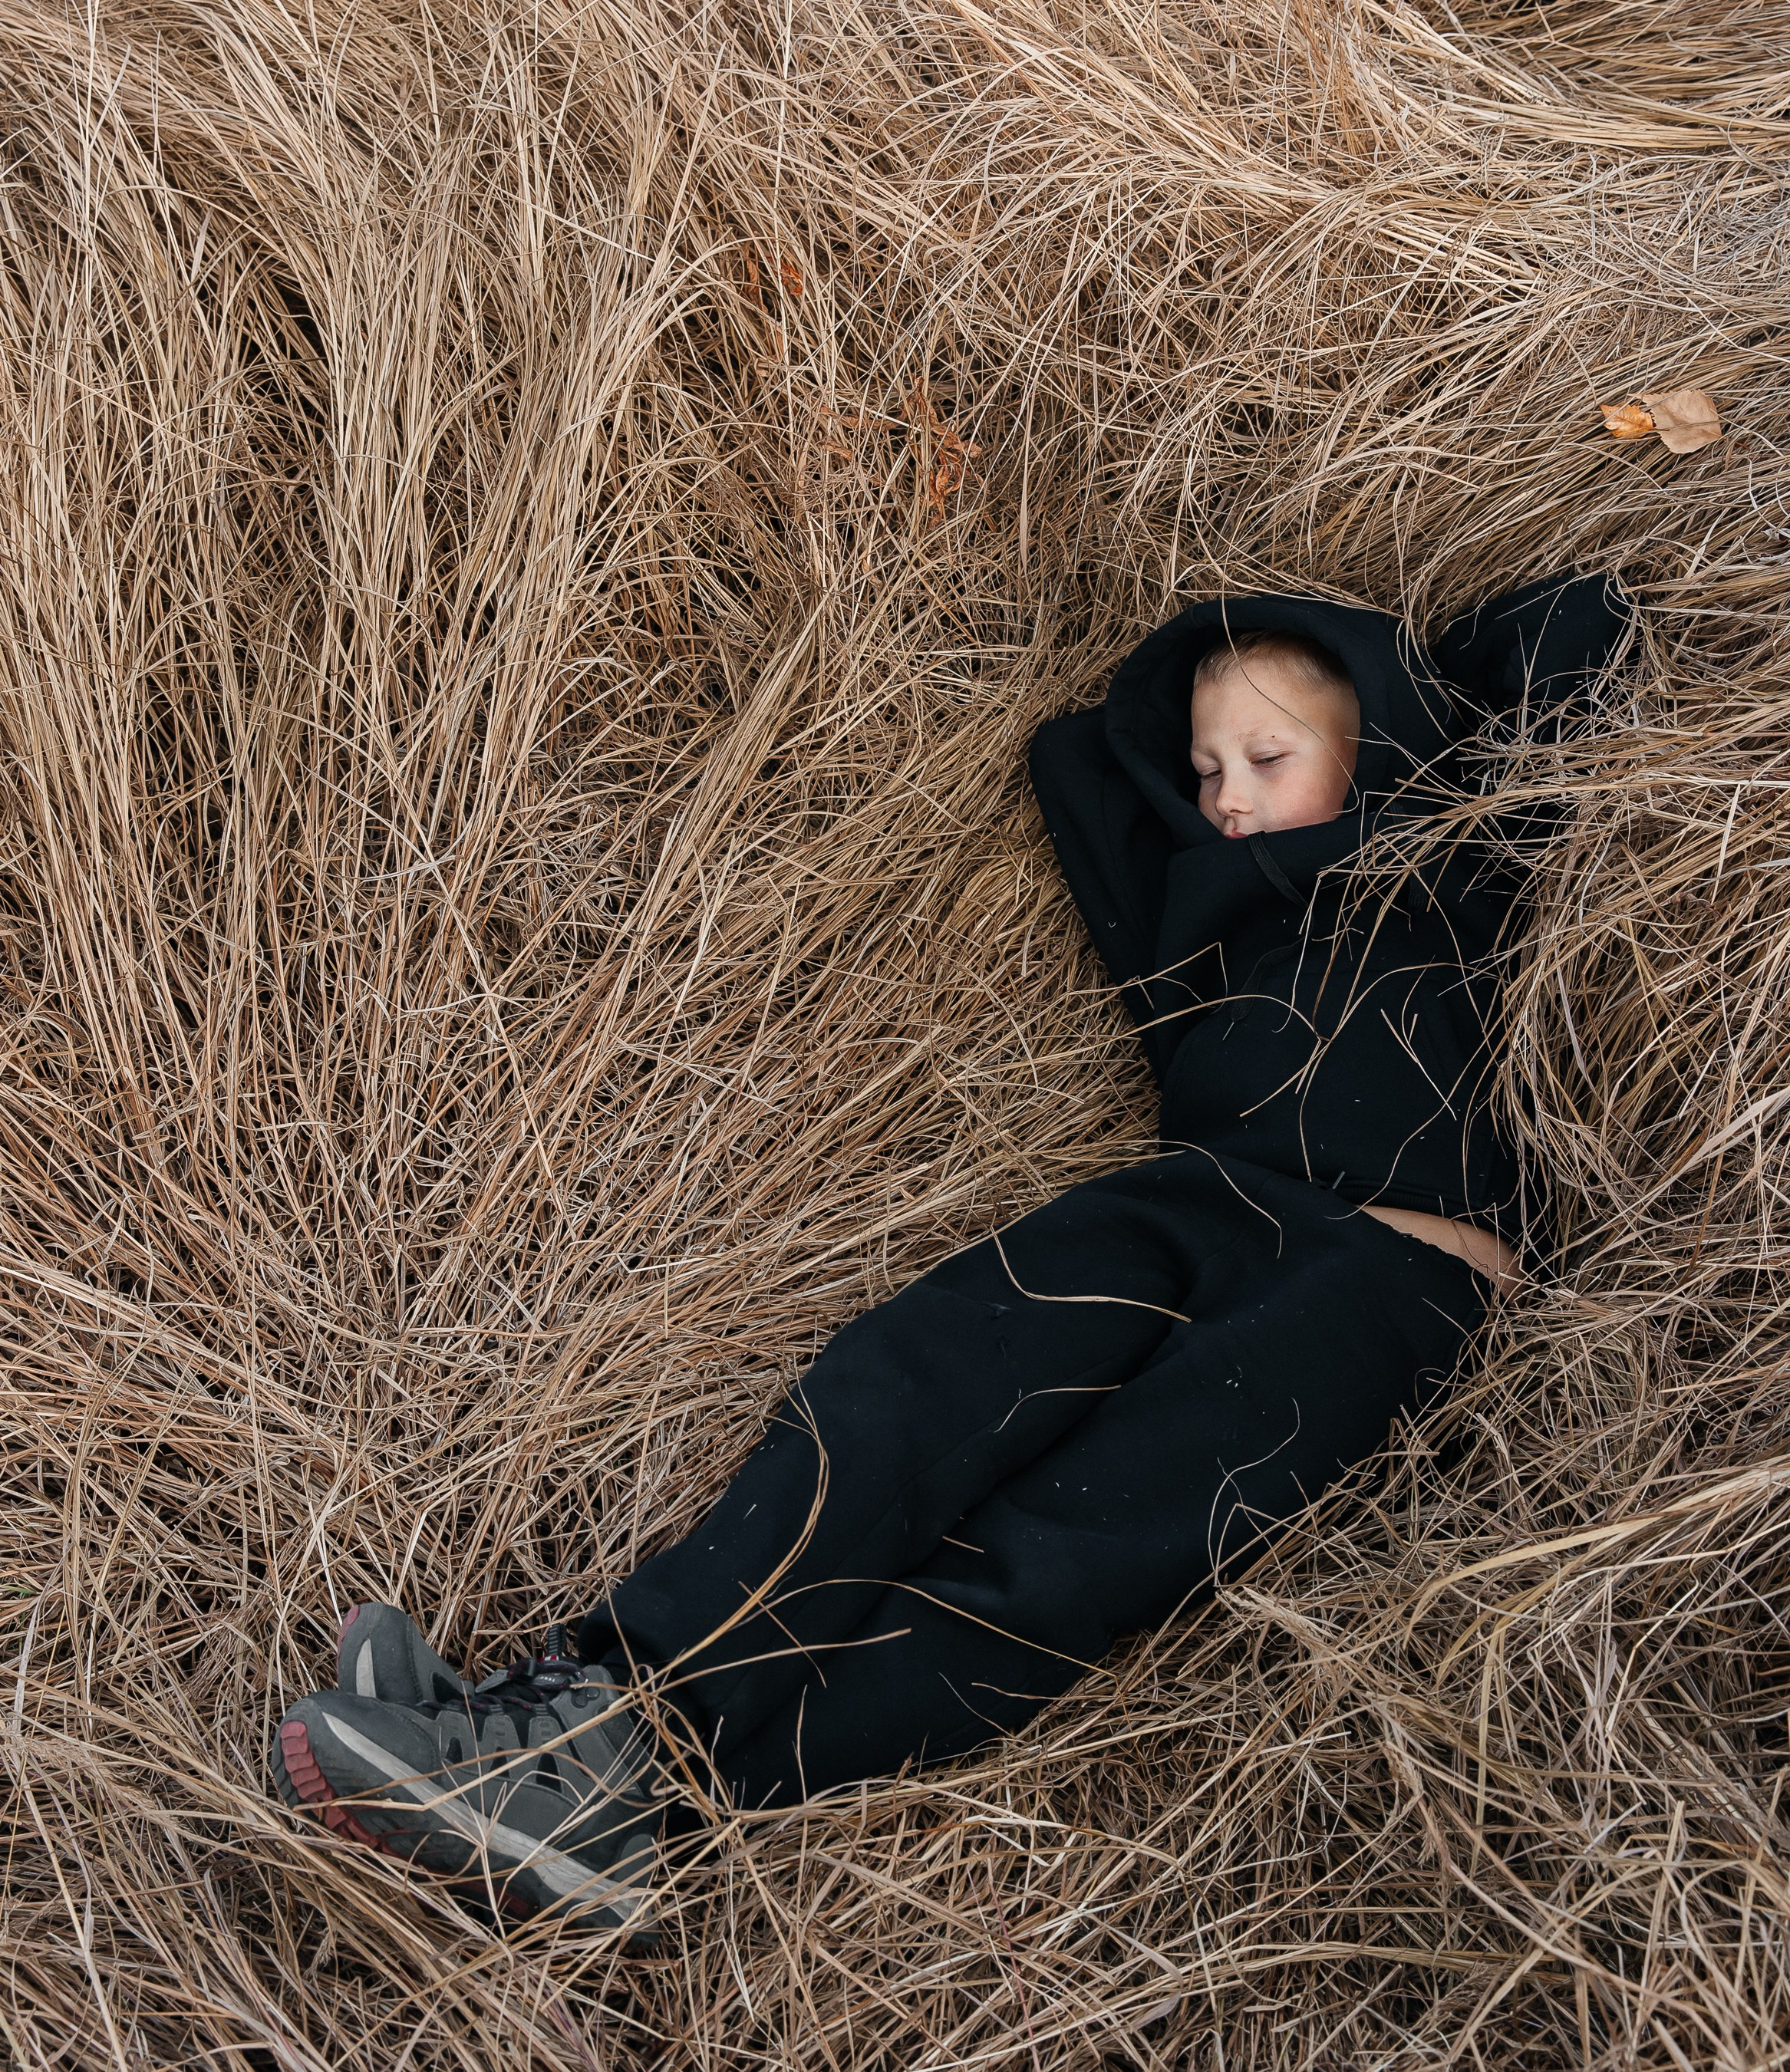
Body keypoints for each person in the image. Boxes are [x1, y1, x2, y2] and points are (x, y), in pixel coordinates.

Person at [271, 572, 1630, 1937]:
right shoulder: (1208, 933)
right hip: (1208, 1203)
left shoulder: (1443, 856)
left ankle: (619, 1786)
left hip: (1389, 1277)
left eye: (1266, 760)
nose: (1223, 795)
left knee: (1052, 1558)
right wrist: (1226, 744)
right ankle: (585, 1711)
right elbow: (1079, 760)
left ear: (1379, 745)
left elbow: (1576, 628)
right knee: (906, 1384)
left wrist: (1395, 707)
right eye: (1207, 766)